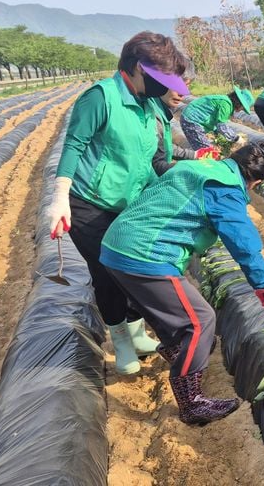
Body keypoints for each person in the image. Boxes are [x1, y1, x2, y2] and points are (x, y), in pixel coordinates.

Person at [99, 143, 264, 425]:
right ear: (255, 182)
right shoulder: (225, 187)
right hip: (145, 253)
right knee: (200, 321)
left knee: (172, 310)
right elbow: (242, 240)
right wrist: (263, 283)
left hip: (117, 245)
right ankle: (191, 403)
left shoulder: (200, 167)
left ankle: (177, 352)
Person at [48, 31, 190, 375]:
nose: (166, 87)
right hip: (89, 204)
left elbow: (152, 158)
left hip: (130, 202)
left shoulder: (147, 103)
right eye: (160, 78)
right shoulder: (100, 98)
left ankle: (138, 333)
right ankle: (121, 341)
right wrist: (59, 198)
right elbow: (74, 146)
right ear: (136, 69)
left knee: (136, 266)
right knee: (107, 273)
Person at [180, 86, 254, 151]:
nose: (240, 110)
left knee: (204, 148)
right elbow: (222, 126)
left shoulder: (225, 101)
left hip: (192, 118)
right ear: (239, 102)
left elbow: (216, 123)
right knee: (206, 150)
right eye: (242, 108)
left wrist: (218, 135)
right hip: (192, 119)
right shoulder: (226, 104)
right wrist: (236, 138)